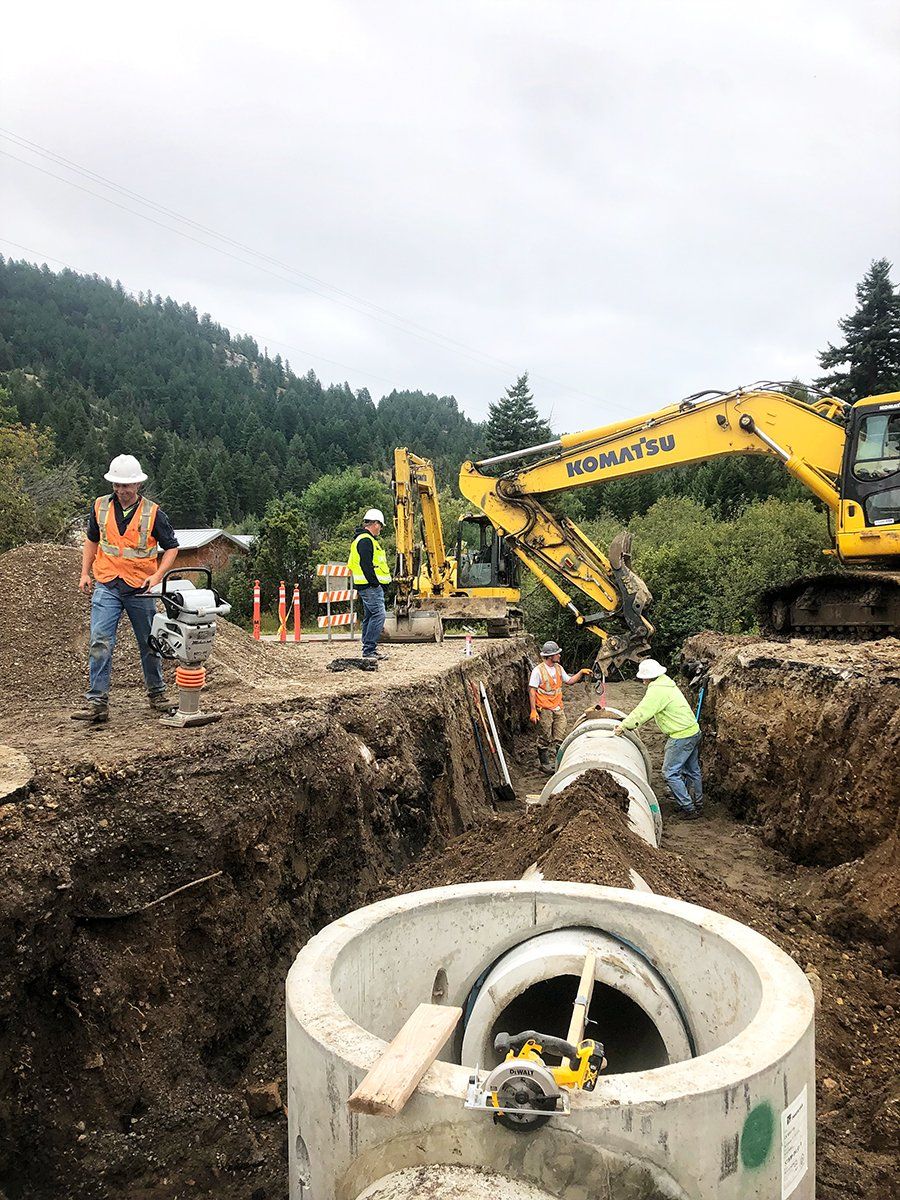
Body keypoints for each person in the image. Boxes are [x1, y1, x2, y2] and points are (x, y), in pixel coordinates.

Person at [72, 455, 179, 724]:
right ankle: (98, 703)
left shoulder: (154, 513)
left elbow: (172, 547)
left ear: (138, 485)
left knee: (149, 643)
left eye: (126, 486)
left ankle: (157, 694)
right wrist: (85, 573)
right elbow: (92, 541)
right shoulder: (99, 507)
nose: (121, 491)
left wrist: (157, 575)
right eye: (117, 485)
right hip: (107, 583)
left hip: (139, 587)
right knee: (99, 641)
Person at [615, 659, 702, 819]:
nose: (642, 680)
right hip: (693, 731)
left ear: (648, 677)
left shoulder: (657, 690)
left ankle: (688, 808)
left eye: (643, 678)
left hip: (680, 736)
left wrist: (625, 726)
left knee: (670, 772)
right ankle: (697, 803)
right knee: (692, 770)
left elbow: (643, 711)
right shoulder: (667, 683)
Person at [529, 640, 592, 774]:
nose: (559, 656)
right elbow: (532, 690)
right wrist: (533, 710)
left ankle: (560, 762)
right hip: (544, 708)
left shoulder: (558, 668)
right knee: (545, 736)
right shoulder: (538, 671)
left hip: (558, 707)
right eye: (557, 654)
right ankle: (545, 764)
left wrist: (581, 673)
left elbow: (569, 681)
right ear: (550, 656)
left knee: (560, 735)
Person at [348, 508, 392, 660]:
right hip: (370, 586)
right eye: (380, 525)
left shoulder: (364, 539)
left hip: (367, 585)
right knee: (379, 615)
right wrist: (375, 584)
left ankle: (368, 648)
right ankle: (369, 650)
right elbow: (366, 564)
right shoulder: (365, 541)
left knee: (370, 616)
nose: (380, 529)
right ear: (375, 524)